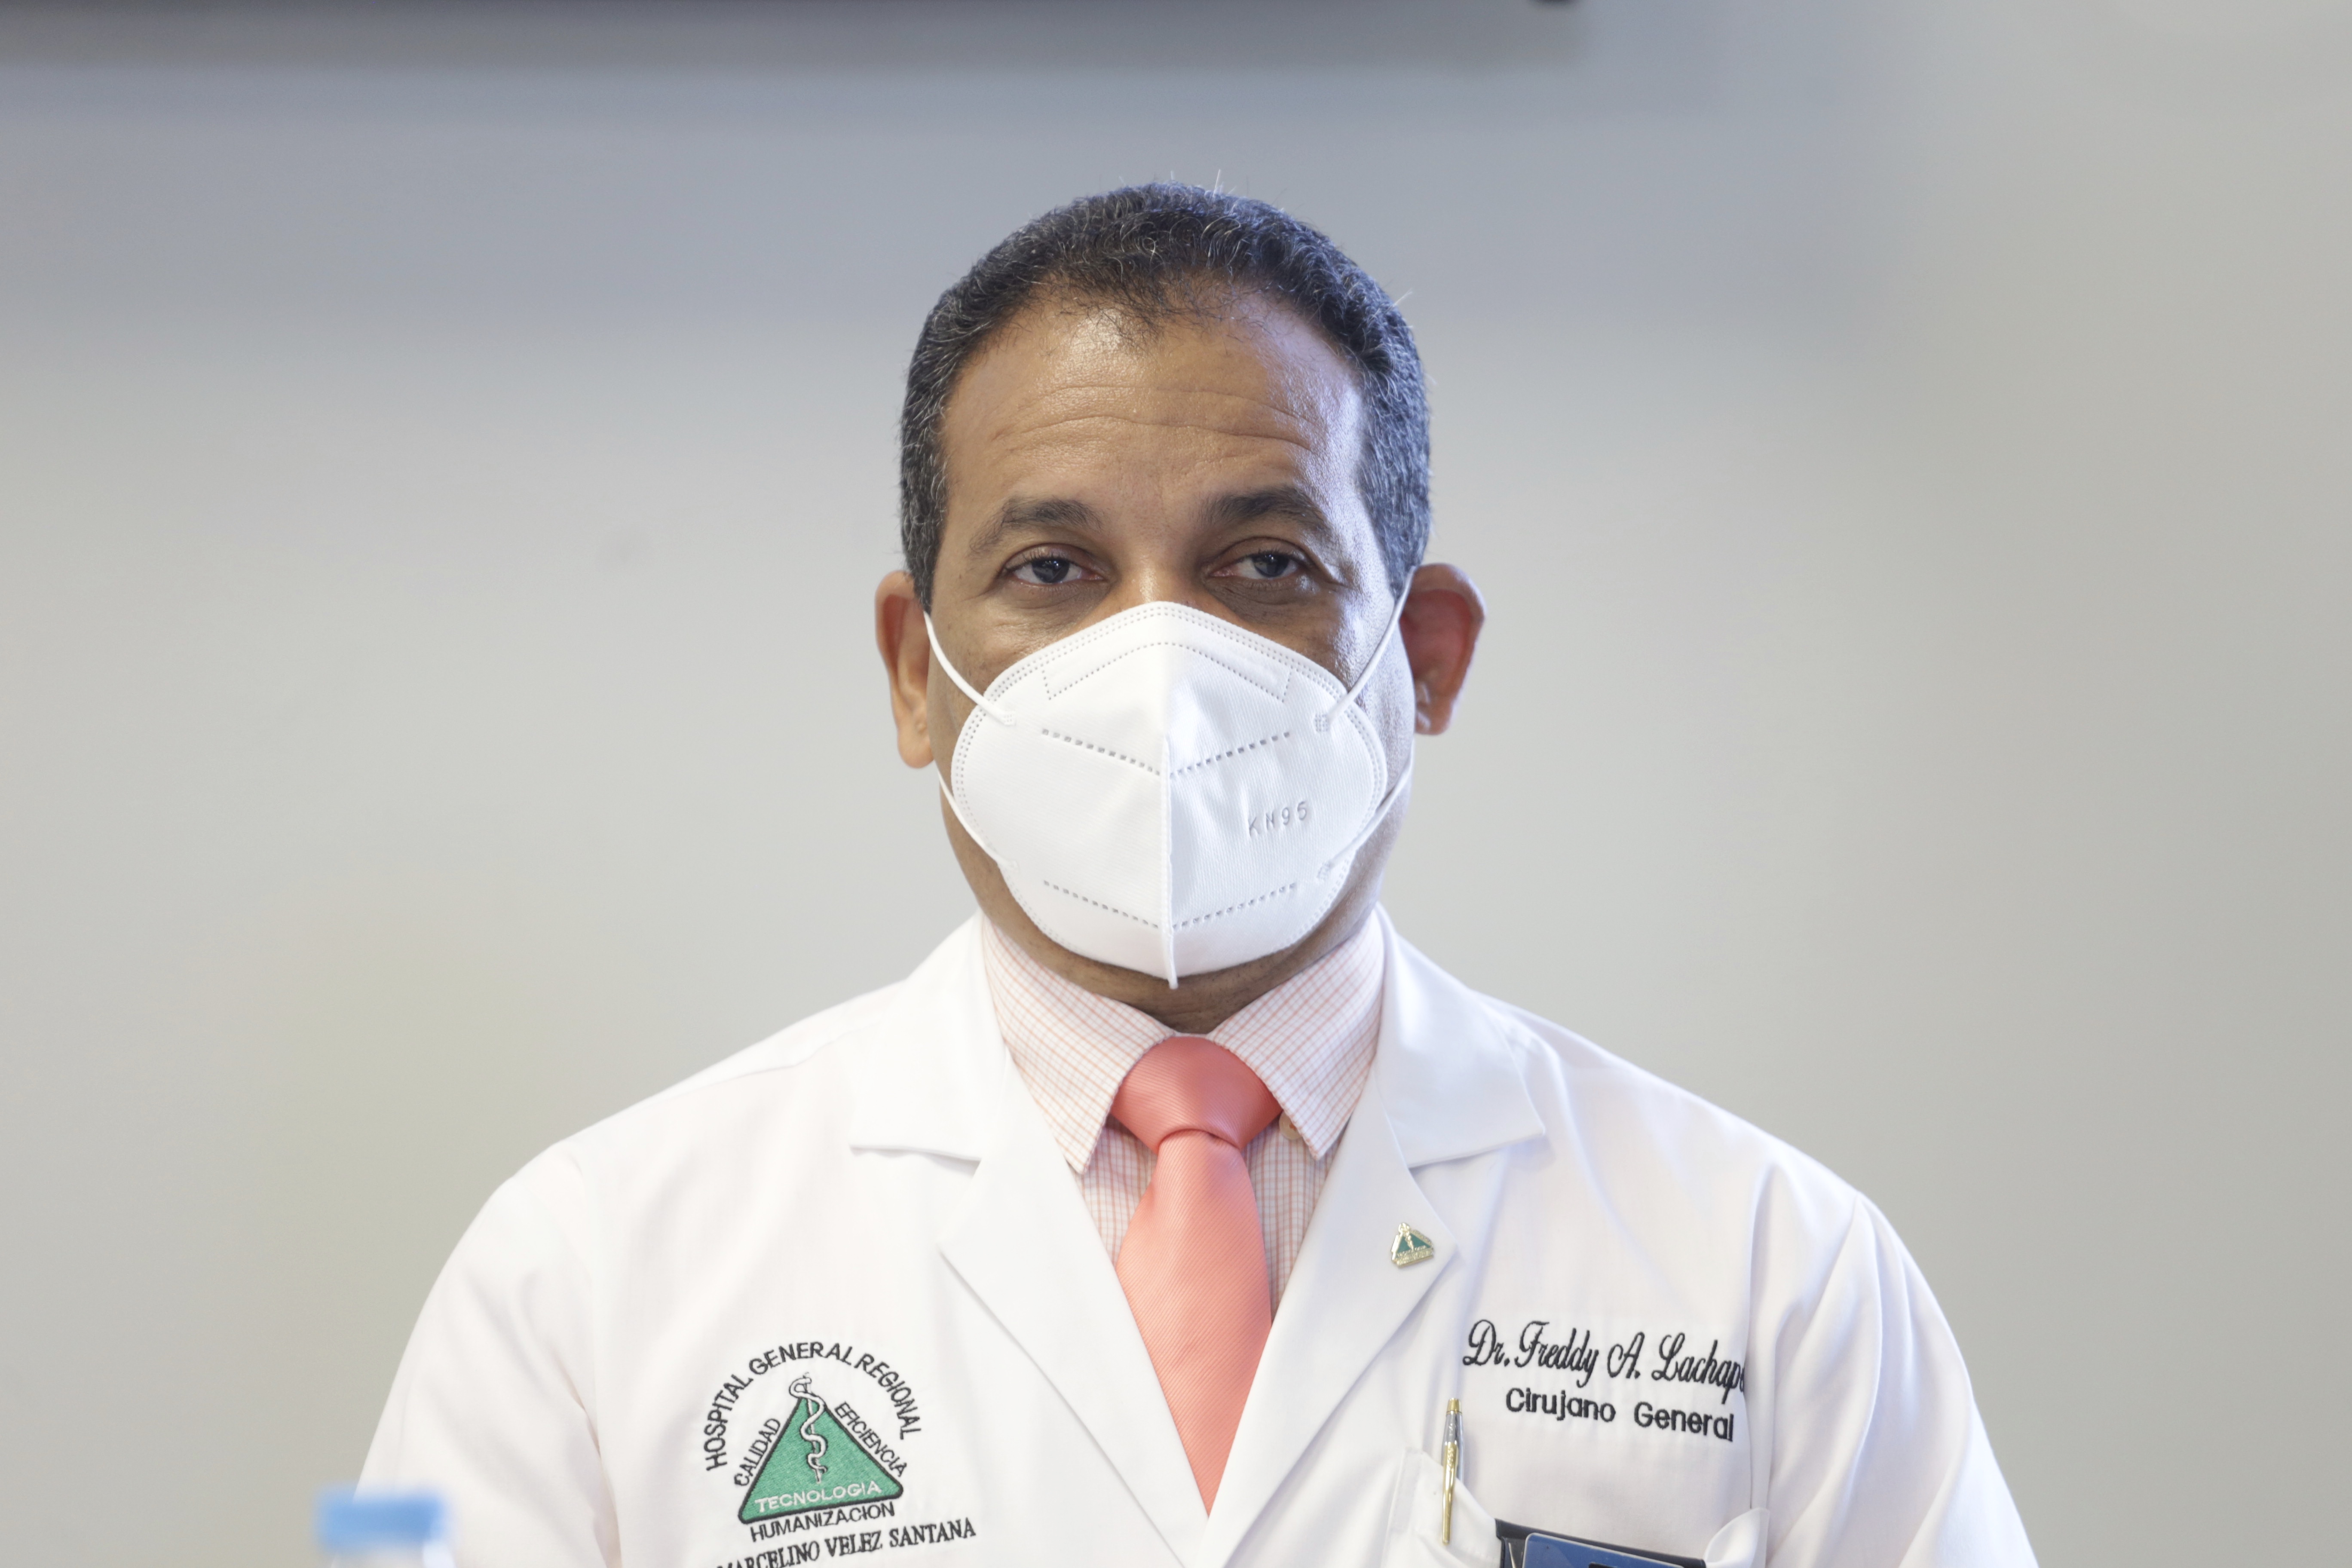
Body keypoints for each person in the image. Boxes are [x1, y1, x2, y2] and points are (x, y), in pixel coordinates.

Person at [356, 185, 2036, 1568]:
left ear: (1425, 657)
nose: (1158, 663)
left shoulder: (1771, 1268)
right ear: (918, 672)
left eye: (1265, 564)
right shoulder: (585, 1274)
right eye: (1054, 568)